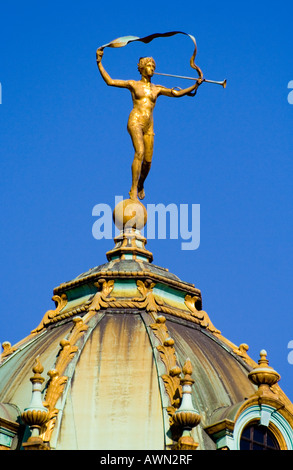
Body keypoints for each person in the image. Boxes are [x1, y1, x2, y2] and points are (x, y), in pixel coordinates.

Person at [96, 48, 202, 200]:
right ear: (142, 68)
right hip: (136, 121)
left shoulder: (156, 88)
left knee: (148, 161)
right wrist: (99, 62)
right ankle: (133, 189)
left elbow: (176, 93)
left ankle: (141, 183)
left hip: (149, 126)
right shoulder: (133, 84)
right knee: (139, 152)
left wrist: (195, 85)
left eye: (153, 66)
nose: (152, 68)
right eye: (149, 66)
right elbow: (110, 81)